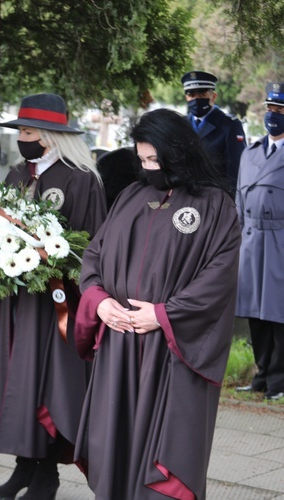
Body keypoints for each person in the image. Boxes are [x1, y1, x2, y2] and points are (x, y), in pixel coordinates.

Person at [73, 108, 240, 500]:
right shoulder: (132, 195)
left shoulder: (216, 206)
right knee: (116, 442)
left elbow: (219, 277)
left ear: (178, 152)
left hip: (172, 350)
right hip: (120, 344)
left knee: (166, 449)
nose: (148, 168)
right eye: (143, 159)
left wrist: (163, 315)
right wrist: (98, 303)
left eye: (155, 160)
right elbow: (94, 257)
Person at [0, 93, 106, 500]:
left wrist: (54, 266)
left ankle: (47, 473)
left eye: (27, 131)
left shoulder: (81, 179)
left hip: (54, 304)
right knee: (15, 380)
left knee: (48, 384)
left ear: (49, 136)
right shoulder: (15, 175)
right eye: (21, 131)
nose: (22, 138)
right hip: (14, 302)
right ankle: (23, 466)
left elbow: (92, 245)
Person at [235, 82, 284, 401]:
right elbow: (239, 199)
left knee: (278, 312)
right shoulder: (250, 153)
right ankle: (262, 374)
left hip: (280, 239)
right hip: (251, 239)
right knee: (255, 310)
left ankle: (280, 380)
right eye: (269, 109)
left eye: (279, 111)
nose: (272, 115)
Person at [182, 70, 246, 191]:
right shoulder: (181, 124)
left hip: (216, 196)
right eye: (191, 95)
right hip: (186, 194)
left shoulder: (229, 125)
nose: (196, 99)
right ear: (186, 97)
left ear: (213, 96)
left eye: (202, 94)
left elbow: (235, 170)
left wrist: (229, 201)